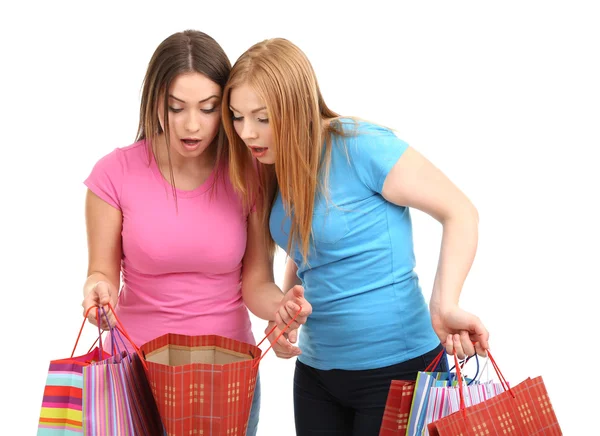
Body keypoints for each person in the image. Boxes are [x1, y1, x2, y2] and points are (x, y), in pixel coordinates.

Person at [222, 37, 490, 435]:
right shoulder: (264, 168)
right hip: (316, 374)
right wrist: (284, 309)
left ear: (296, 106)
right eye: (237, 117)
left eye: (262, 117)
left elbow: (460, 212)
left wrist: (443, 304)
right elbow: (300, 251)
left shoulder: (360, 146)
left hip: (398, 369)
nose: (247, 133)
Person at [80, 30, 311, 436]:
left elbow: (256, 283)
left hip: (228, 377)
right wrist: (97, 295)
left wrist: (281, 310)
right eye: (176, 107)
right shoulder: (113, 174)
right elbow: (102, 273)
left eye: (207, 109)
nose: (192, 124)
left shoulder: (250, 174)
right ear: (156, 103)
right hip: (138, 372)